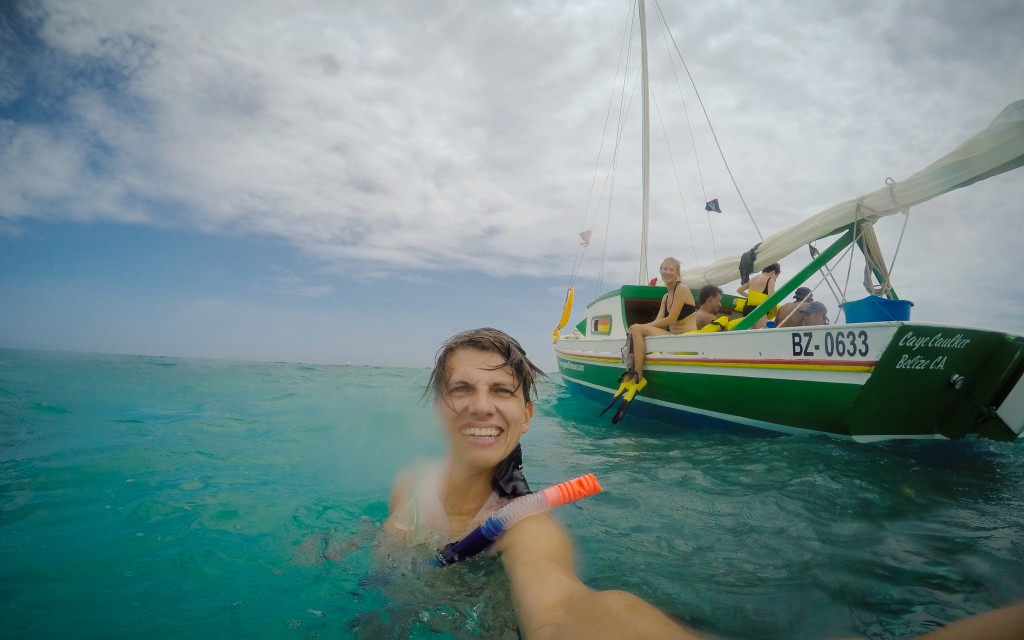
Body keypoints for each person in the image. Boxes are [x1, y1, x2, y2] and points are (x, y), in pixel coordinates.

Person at [386, 328, 700, 639]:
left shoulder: (527, 528)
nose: (481, 406)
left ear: (526, 417)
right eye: (462, 388)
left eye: (502, 390)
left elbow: (560, 615)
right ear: (439, 408)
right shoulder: (412, 481)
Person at [736, 263, 781, 328]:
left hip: (747, 309)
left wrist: (751, 297)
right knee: (761, 335)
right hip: (759, 311)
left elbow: (739, 290)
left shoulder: (753, 279)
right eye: (776, 277)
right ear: (773, 272)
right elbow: (772, 299)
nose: (775, 280)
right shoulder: (770, 279)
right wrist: (777, 315)